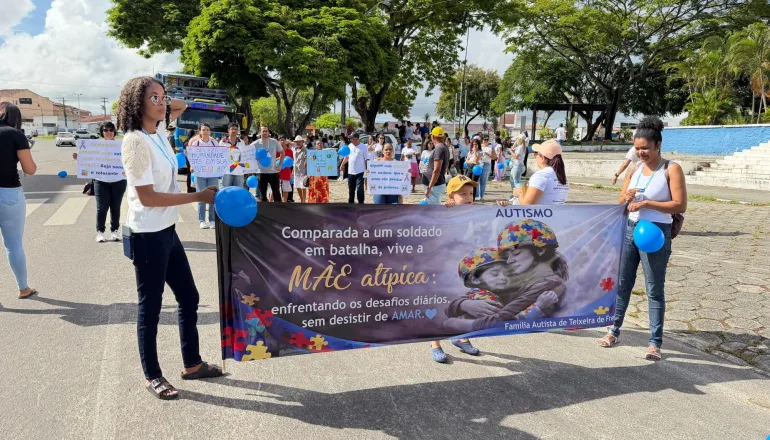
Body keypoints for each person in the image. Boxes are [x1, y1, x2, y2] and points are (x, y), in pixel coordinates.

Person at [116, 76, 222, 400]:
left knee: (188, 296)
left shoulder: (158, 131)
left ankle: (191, 364)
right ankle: (153, 375)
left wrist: (160, 96)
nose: (163, 103)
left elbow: (182, 105)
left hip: (167, 230)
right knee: (150, 307)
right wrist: (197, 197)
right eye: (154, 99)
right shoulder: (136, 142)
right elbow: (147, 197)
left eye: (163, 98)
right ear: (137, 104)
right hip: (148, 233)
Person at [599, 117, 687, 361]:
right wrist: (625, 197)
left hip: (656, 232)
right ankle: (613, 330)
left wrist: (648, 203)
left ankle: (654, 343)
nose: (641, 153)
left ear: (657, 145)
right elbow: (620, 203)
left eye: (645, 148)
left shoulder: (671, 169)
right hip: (630, 229)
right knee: (623, 283)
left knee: (654, 288)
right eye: (637, 149)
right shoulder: (635, 169)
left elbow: (680, 204)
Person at [427, 175, 482, 363]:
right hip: (443, 269)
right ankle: (434, 342)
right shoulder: (442, 215)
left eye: (471, 193)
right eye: (462, 194)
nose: (468, 198)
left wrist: (501, 207)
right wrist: (444, 214)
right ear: (451, 197)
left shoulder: (478, 213)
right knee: (439, 306)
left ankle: (461, 337)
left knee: (464, 303)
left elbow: (498, 219)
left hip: (466, 270)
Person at [0, 102, 37, 299]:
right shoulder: (15, 134)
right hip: (8, 192)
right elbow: (29, 169)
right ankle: (23, 288)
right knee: (13, 244)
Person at [72, 121, 127, 241]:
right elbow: (86, 161)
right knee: (101, 208)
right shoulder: (94, 145)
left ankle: (115, 231)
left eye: (111, 130)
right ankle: (100, 231)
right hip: (100, 181)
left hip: (119, 180)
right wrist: (79, 158)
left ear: (114, 132)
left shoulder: (122, 144)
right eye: (105, 130)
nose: (108, 132)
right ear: (102, 132)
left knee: (115, 207)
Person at [188, 123, 219, 229]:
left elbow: (219, 156)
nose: (205, 131)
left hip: (212, 173)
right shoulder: (196, 143)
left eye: (207, 129)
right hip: (200, 173)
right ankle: (201, 220)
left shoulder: (214, 143)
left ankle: (212, 220)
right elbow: (192, 156)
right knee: (201, 195)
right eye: (203, 130)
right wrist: (192, 166)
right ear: (200, 132)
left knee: (213, 196)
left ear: (210, 131)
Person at [518, 140, 569, 205]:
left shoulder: (541, 175)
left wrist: (518, 192)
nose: (535, 156)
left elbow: (526, 205)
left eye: (536, 154)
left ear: (542, 158)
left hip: (542, 215)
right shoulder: (562, 176)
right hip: (557, 214)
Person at [251, 126, 284, 202]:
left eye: (266, 131)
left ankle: (280, 210)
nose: (265, 132)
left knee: (276, 193)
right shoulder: (255, 144)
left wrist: (280, 165)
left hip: (273, 172)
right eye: (263, 131)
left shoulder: (274, 142)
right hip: (261, 172)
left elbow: (282, 152)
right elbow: (249, 155)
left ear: (269, 132)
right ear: (260, 133)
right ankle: (265, 212)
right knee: (262, 194)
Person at [422, 127, 450, 205]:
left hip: (435, 185)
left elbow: (437, 170)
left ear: (433, 137)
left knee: (433, 211)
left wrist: (429, 188)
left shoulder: (439, 149)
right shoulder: (443, 147)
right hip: (436, 184)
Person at [339, 133, 366, 204]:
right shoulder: (350, 146)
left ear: (357, 138)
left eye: (352, 138)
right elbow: (347, 157)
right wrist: (342, 165)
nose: (350, 140)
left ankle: (361, 203)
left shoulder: (363, 147)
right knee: (351, 189)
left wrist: (367, 169)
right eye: (350, 138)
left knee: (359, 189)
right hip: (351, 172)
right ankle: (351, 203)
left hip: (360, 172)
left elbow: (366, 159)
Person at [220, 123, 247, 188]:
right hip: (227, 171)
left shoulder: (241, 142)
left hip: (239, 172)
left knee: (238, 191)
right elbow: (219, 155)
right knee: (226, 191)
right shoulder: (222, 142)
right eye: (232, 129)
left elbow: (245, 155)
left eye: (236, 129)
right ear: (228, 130)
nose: (234, 131)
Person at [477, 136, 496, 201]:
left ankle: (481, 196)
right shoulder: (479, 146)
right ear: (482, 140)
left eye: (487, 140)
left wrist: (488, 154)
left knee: (483, 181)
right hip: (479, 164)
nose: (485, 141)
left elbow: (494, 157)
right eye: (484, 139)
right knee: (477, 180)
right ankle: (476, 196)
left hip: (486, 164)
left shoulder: (491, 147)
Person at [292, 135, 309, 203]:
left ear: (302, 142)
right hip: (296, 171)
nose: (298, 143)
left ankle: (303, 201)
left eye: (299, 141)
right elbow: (294, 161)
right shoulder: (295, 149)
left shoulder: (305, 150)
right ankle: (302, 199)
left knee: (303, 187)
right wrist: (293, 170)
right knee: (297, 186)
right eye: (297, 142)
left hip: (303, 171)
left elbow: (307, 159)